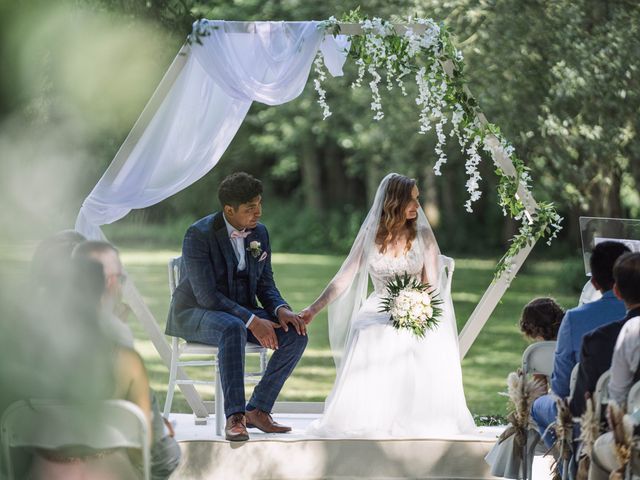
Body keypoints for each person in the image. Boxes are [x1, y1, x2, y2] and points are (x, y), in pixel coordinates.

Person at [299, 173, 476, 437]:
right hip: (379, 306)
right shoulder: (370, 236)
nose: (417, 206)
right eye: (411, 200)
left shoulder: (423, 235)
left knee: (404, 335)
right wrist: (313, 309)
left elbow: (431, 284)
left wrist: (416, 306)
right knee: (370, 328)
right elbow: (344, 277)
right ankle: (370, 415)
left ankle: (412, 417)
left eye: (417, 199)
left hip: (417, 308)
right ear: (394, 202)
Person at [165, 172, 308, 441]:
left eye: (259, 204)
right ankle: (236, 417)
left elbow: (266, 284)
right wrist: (252, 321)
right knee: (233, 328)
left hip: (237, 311)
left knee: (296, 333)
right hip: (196, 313)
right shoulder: (198, 234)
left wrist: (281, 310)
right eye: (250, 208)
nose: (258, 212)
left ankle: (258, 410)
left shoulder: (260, 233)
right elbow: (206, 296)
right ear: (229, 210)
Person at [73, 241, 181, 480]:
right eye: (119, 279)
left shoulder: (35, 330)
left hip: (44, 455)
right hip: (104, 450)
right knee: (166, 453)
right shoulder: (115, 338)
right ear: (110, 282)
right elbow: (141, 438)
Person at [531, 241, 630, 448]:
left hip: (587, 418)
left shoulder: (574, 319)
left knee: (538, 405)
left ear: (594, 283)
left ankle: (568, 467)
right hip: (633, 412)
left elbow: (561, 386)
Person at [582, 252, 640, 479]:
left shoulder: (632, 330)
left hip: (636, 443)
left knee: (597, 452)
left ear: (616, 291)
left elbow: (616, 397)